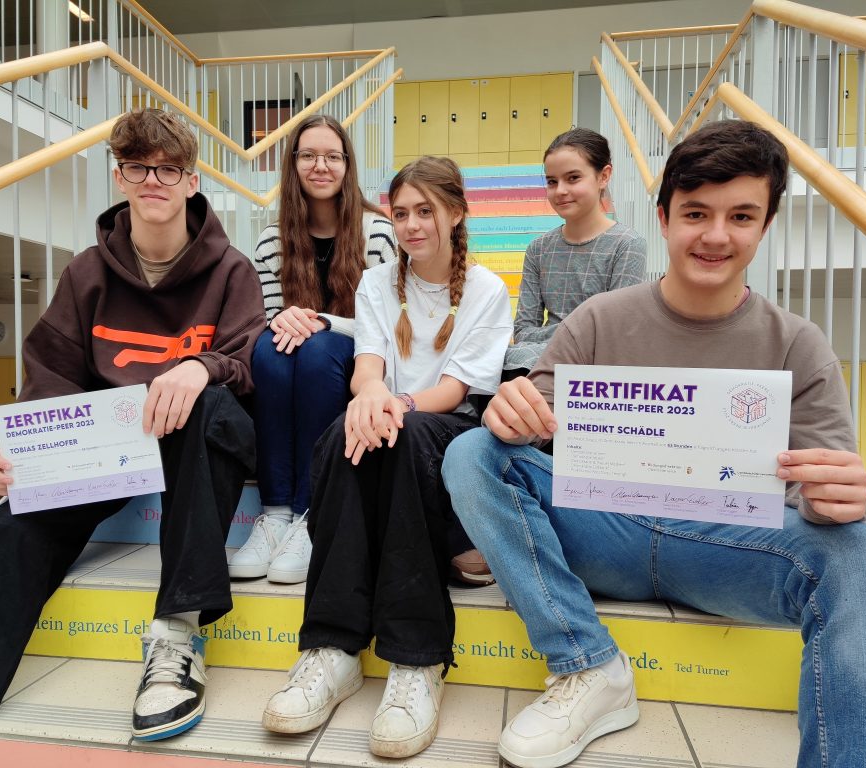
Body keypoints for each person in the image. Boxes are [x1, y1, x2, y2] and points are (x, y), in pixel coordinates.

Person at [442, 120, 866, 768]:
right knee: (472, 452)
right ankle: (585, 662)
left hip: (732, 547)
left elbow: (824, 491)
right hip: (606, 529)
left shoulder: (797, 344)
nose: (716, 236)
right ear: (664, 219)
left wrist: (834, 498)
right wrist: (511, 411)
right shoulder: (598, 321)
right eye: (696, 213)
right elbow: (529, 420)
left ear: (765, 226)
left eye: (741, 216)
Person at [0, 109, 266, 766]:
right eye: (138, 167)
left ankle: (177, 630)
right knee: (13, 530)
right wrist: (24, 456)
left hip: (194, 439)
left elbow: (249, 362)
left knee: (216, 406)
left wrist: (199, 367)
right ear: (119, 176)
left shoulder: (231, 270)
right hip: (107, 446)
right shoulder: (86, 274)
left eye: (168, 169)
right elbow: (52, 374)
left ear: (192, 181)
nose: (153, 180)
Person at [261, 156, 512, 758]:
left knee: (407, 438)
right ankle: (331, 649)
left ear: (457, 213)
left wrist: (392, 405)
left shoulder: (487, 290)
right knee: (338, 437)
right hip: (392, 421)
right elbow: (367, 366)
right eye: (400, 214)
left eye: (426, 211)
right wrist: (370, 396)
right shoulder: (377, 283)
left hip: (447, 430)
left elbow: (453, 391)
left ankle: (417, 659)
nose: (411, 225)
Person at [229, 114, 396, 584]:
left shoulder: (376, 232)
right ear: (293, 164)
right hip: (297, 358)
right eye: (308, 155)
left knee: (318, 350)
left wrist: (323, 322)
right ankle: (275, 514)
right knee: (269, 352)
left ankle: (310, 514)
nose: (320, 166)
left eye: (332, 156)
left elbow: (384, 324)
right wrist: (280, 320)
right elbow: (267, 317)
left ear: (347, 166)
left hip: (357, 357)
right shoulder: (271, 240)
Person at [505, 128, 646, 377]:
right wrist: (579, 333)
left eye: (573, 178)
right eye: (552, 181)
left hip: (595, 371)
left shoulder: (627, 244)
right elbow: (524, 331)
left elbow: (615, 332)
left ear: (604, 176)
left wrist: (555, 336)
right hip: (538, 363)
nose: (560, 190)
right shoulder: (539, 249)